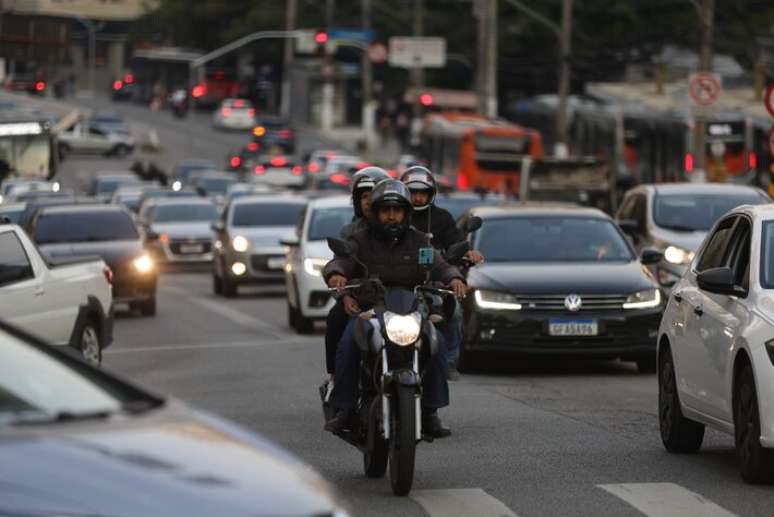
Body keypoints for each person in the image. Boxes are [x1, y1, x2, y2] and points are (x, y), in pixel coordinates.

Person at [323, 179, 466, 437]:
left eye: (396, 210)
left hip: (410, 307)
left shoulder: (420, 241)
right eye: (385, 210)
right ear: (376, 213)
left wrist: (453, 278)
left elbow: (439, 264)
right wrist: (336, 275)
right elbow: (341, 261)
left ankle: (431, 411)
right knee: (348, 342)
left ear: (405, 212)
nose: (391, 216)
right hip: (370, 308)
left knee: (436, 343)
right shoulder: (359, 240)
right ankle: (346, 409)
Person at [401, 166, 484, 378]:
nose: (418, 198)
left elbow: (456, 241)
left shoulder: (442, 218)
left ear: (431, 194)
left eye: (423, 193)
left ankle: (448, 360)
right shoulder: (395, 214)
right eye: (413, 192)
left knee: (454, 310)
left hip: (434, 280)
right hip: (399, 280)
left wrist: (468, 252)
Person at [324, 167, 390, 377]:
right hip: (361, 301)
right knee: (340, 328)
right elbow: (341, 262)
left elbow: (429, 262)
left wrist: (448, 279)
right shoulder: (351, 234)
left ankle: (428, 402)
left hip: (399, 303)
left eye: (374, 195)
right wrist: (344, 294)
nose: (369, 201)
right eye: (364, 196)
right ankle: (338, 382)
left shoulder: (406, 231)